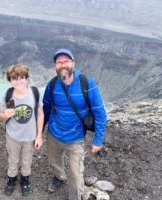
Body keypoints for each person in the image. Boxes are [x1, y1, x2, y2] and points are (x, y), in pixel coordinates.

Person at [43, 49, 107, 200]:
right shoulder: (52, 85)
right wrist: (38, 133)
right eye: (59, 62)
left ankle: (75, 197)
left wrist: (98, 140)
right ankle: (59, 176)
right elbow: (45, 109)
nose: (63, 65)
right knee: (54, 160)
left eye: (66, 61)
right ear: (55, 66)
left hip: (76, 138)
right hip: (54, 134)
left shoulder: (87, 84)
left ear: (73, 63)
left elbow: (100, 113)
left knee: (76, 173)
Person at [0, 64, 44, 197]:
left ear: (26, 78)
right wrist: (5, 114)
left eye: (21, 78)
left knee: (27, 159)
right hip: (12, 135)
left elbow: (40, 114)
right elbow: (1, 116)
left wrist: (39, 136)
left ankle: (25, 179)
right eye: (14, 78)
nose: (18, 81)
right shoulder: (7, 94)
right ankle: (11, 179)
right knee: (13, 159)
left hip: (30, 136)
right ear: (10, 80)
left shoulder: (35, 92)